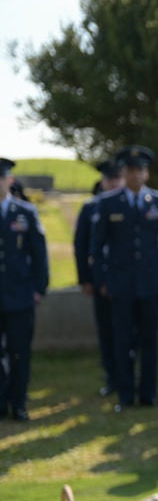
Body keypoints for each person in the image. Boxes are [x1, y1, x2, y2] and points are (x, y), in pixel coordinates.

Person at [90, 146, 158, 412]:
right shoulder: (108, 203)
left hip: (150, 285)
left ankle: (148, 394)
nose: (135, 175)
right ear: (123, 173)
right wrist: (102, 280)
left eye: (140, 170)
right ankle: (126, 395)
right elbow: (97, 247)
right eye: (130, 170)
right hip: (121, 285)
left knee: (149, 343)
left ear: (146, 173)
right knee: (123, 341)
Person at [0, 158, 48, 421]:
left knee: (19, 351)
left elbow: (39, 255)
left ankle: (18, 403)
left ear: (8, 181)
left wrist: (39, 288)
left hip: (19, 295)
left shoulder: (26, 212)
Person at [73, 159, 124, 396]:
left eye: (117, 178)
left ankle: (127, 375)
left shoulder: (130, 204)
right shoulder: (91, 207)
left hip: (127, 281)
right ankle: (112, 375)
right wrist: (86, 279)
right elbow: (82, 247)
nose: (113, 183)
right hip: (100, 280)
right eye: (109, 179)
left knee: (127, 332)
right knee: (107, 331)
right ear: (102, 181)